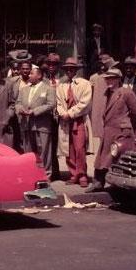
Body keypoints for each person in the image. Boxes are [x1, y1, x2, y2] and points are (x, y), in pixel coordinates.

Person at [88, 68, 136, 192]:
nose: (109, 81)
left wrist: (126, 124)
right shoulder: (106, 92)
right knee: (101, 158)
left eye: (112, 78)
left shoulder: (126, 92)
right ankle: (98, 183)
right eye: (107, 78)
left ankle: (118, 184)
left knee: (116, 158)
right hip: (108, 130)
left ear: (118, 79)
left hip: (121, 131)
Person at [56, 58, 93, 187]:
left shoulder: (84, 84)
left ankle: (82, 174)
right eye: (67, 69)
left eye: (72, 69)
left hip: (79, 120)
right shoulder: (61, 85)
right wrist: (62, 113)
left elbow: (85, 103)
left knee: (80, 148)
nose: (69, 71)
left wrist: (70, 113)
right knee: (68, 148)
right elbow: (59, 103)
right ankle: (73, 174)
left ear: (76, 70)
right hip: (65, 121)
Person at [15, 67, 55, 177]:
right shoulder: (24, 89)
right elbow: (17, 103)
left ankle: (45, 174)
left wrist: (35, 111)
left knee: (44, 151)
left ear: (39, 75)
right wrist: (20, 109)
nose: (29, 75)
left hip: (41, 125)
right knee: (29, 152)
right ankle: (30, 174)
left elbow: (51, 104)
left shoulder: (48, 89)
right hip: (27, 125)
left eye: (32, 73)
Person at [88, 53, 118, 154]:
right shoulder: (94, 78)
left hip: (110, 104)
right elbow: (90, 94)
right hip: (98, 105)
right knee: (100, 130)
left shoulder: (113, 76)